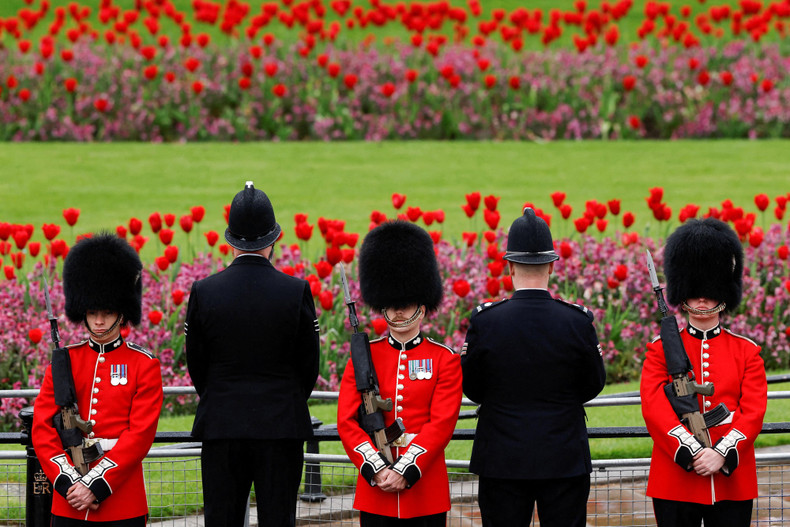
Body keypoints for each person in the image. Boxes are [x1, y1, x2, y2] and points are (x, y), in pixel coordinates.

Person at [185, 181, 320, 527]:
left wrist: (222, 397)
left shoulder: (204, 291)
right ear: (273, 239)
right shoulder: (295, 291)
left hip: (222, 425)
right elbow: (308, 366)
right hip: (279, 425)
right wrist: (281, 398)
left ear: (229, 239)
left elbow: (197, 365)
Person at [461, 207, 606, 527]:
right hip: (563, 455)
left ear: (509, 266)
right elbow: (594, 383)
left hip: (502, 458)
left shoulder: (486, 321)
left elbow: (471, 387)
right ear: (552, 266)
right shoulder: (576, 320)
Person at [640, 218, 767, 527]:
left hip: (729, 478)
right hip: (677, 475)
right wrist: (692, 450)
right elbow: (654, 407)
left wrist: (722, 453)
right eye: (695, 289)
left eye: (709, 291)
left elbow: (753, 411)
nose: (701, 297)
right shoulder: (659, 349)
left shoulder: (746, 351)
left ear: (723, 293)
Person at [337, 220, 463, 526]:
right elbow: (346, 421)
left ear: (421, 301)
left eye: (405, 303)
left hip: (424, 489)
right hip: (376, 489)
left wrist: (405, 469)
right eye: (391, 304)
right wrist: (378, 469)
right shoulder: (365, 357)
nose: (398, 312)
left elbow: (441, 426)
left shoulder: (443, 359)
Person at [33, 233, 163, 526]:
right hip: (70, 501)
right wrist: (68, 482)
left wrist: (95, 484)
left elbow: (139, 437)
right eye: (92, 312)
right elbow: (43, 428)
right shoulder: (67, 360)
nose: (99, 321)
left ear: (122, 313)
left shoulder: (143, 364)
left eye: (107, 312)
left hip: (121, 499)